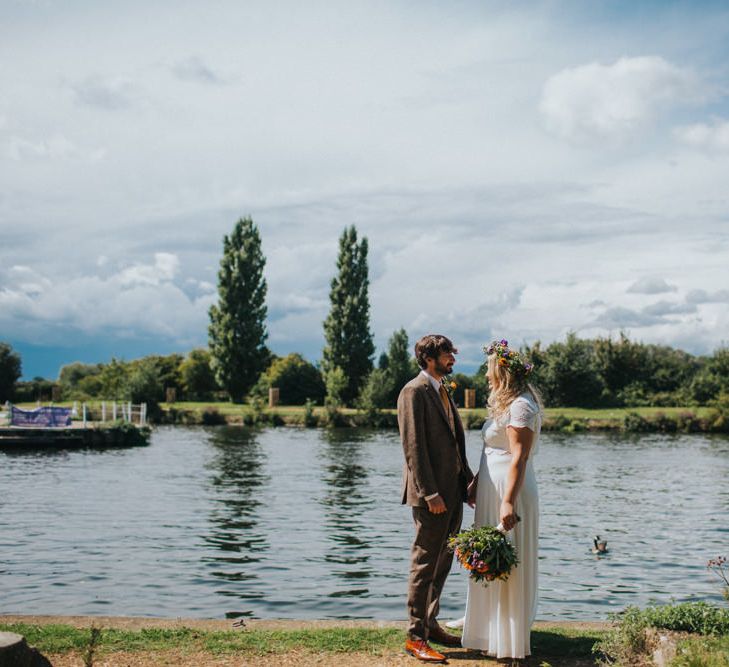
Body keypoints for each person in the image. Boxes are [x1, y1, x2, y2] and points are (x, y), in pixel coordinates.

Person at [460, 339, 542, 660]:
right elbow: (491, 450)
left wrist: (508, 501)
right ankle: (486, 632)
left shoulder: (521, 405)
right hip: (491, 491)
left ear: (502, 373)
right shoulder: (504, 405)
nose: (485, 377)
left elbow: (518, 458)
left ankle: (509, 640)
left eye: (489, 372)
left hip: (512, 492)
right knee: (490, 562)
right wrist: (476, 483)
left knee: (509, 564)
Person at [398, 334, 475, 663]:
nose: (453, 361)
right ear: (429, 358)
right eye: (447, 355)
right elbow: (414, 448)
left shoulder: (441, 390)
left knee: (443, 562)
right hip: (432, 496)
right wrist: (429, 493)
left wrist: (468, 482)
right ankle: (415, 637)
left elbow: (455, 443)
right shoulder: (413, 391)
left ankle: (430, 623)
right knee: (424, 564)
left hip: (452, 492)